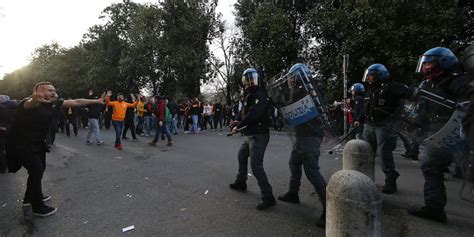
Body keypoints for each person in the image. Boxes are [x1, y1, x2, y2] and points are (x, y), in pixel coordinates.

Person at [6, 82, 102, 217]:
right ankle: (38, 207)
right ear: (38, 91)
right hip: (22, 144)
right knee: (36, 169)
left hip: (38, 143)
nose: (54, 93)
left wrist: (95, 101)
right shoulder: (28, 103)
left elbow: (76, 101)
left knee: (39, 169)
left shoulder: (53, 103)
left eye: (54, 90)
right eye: (49, 90)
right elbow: (29, 104)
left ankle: (30, 198)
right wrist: (34, 99)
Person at [407, 47, 473, 223]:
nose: (425, 67)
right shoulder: (431, 83)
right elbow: (423, 107)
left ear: (442, 62)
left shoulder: (456, 80)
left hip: (449, 131)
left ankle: (434, 208)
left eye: (429, 63)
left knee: (433, 167)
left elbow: (468, 102)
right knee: (435, 168)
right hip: (436, 130)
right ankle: (434, 207)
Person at [275, 63, 327, 227]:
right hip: (302, 136)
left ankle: (330, 208)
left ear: (298, 77)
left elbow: (294, 109)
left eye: (291, 77)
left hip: (310, 137)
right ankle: (293, 192)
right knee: (294, 162)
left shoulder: (306, 92)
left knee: (312, 171)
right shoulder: (301, 91)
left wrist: (279, 103)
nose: (289, 80)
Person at [356, 63, 410, 194]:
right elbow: (366, 106)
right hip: (369, 125)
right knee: (367, 153)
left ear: (380, 75)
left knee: (384, 154)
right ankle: (366, 179)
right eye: (368, 76)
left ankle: (390, 179)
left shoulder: (393, 87)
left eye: (371, 76)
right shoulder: (370, 90)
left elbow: (411, 96)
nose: (368, 78)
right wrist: (359, 119)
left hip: (384, 126)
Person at [229, 68, 275, 210]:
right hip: (250, 134)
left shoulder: (260, 94)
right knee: (242, 155)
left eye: (252, 78)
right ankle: (241, 182)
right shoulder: (247, 95)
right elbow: (242, 112)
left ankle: (268, 197)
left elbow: (254, 114)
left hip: (259, 135)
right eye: (247, 79)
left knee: (256, 165)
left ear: (257, 79)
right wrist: (236, 121)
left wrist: (239, 125)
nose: (250, 81)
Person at [0, 95, 17, 173]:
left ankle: (2, 167)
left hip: (2, 130)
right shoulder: (14, 106)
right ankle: (9, 164)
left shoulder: (1, 107)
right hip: (11, 130)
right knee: (8, 148)